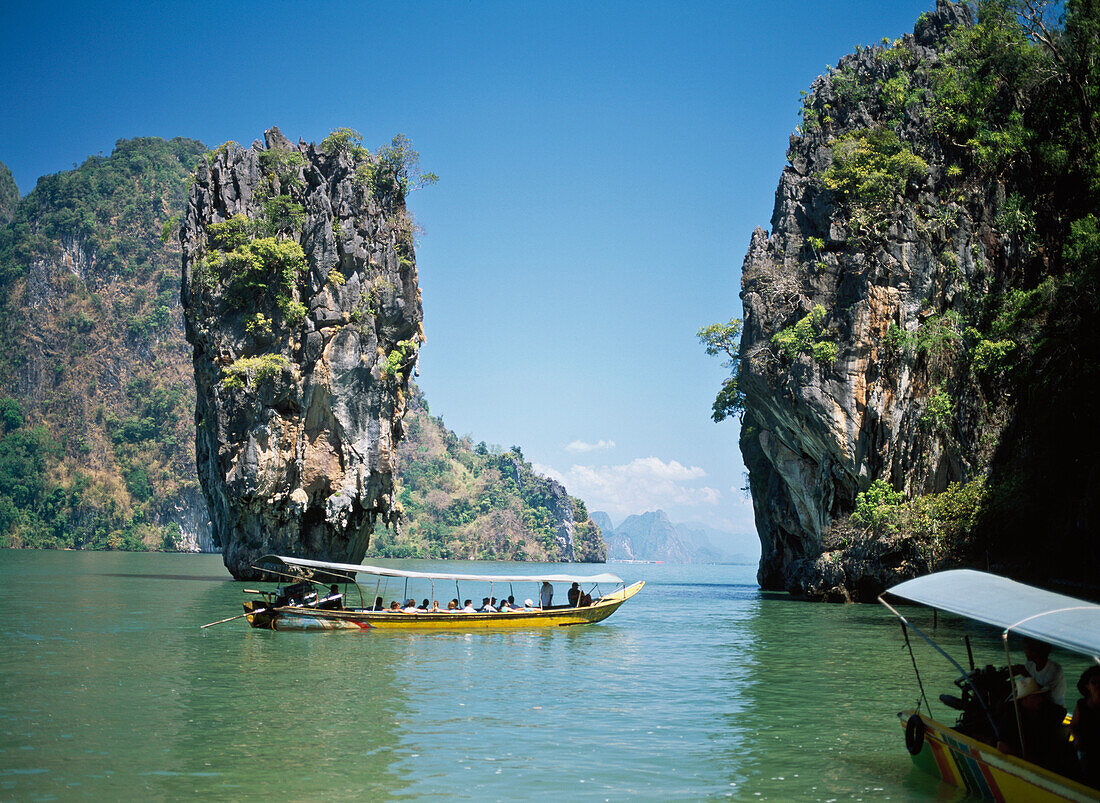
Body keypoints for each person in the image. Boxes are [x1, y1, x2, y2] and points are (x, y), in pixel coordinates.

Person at [1071, 665, 1100, 788]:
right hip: (1084, 750)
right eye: (1094, 682)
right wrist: (1076, 737)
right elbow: (1073, 725)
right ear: (1087, 686)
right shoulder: (1081, 705)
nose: (1098, 685)